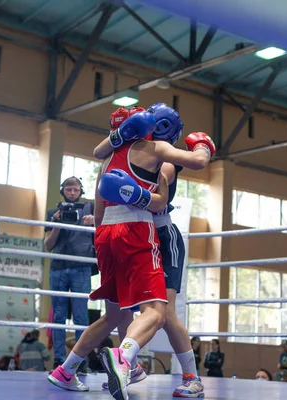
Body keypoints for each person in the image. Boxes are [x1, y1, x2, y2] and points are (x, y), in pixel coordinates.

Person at [48, 106, 213, 400]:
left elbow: (100, 208)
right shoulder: (158, 151)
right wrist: (202, 145)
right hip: (141, 231)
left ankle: (70, 369)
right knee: (158, 311)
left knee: (120, 314)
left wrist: (102, 243)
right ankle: (128, 360)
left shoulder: (110, 158)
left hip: (112, 235)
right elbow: (166, 197)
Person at [92, 103, 208, 397]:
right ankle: (126, 366)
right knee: (125, 309)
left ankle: (192, 376)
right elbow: (99, 153)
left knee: (163, 313)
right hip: (131, 235)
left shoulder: (160, 154)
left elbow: (176, 177)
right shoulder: (121, 150)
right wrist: (203, 146)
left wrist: (204, 150)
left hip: (159, 236)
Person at [44, 176, 96, 370]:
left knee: (81, 316)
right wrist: (56, 223)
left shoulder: (90, 209)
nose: (72, 193)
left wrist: (95, 222)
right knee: (58, 316)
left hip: (82, 267)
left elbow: (104, 234)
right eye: (68, 189)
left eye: (75, 189)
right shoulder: (53, 212)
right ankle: (59, 360)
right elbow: (48, 246)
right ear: (62, 191)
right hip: (58, 267)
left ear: (81, 191)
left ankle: (81, 360)